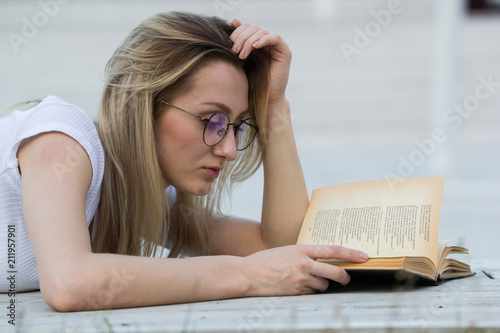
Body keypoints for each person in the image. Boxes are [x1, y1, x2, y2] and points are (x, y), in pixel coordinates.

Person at [0, 11, 368, 311]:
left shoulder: (140, 198)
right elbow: (69, 283)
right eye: (213, 121)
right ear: (145, 106)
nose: (227, 149)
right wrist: (245, 275)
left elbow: (280, 246)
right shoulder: (62, 140)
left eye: (237, 127)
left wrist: (274, 105)